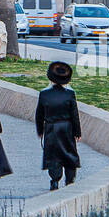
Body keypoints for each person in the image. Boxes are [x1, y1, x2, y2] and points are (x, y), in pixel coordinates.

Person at [35, 61, 82, 191]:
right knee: (69, 153)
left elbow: (39, 114)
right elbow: (74, 115)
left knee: (53, 155)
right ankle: (70, 179)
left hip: (51, 128)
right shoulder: (69, 94)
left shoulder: (44, 94)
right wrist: (77, 132)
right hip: (67, 128)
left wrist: (40, 130)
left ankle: (55, 180)